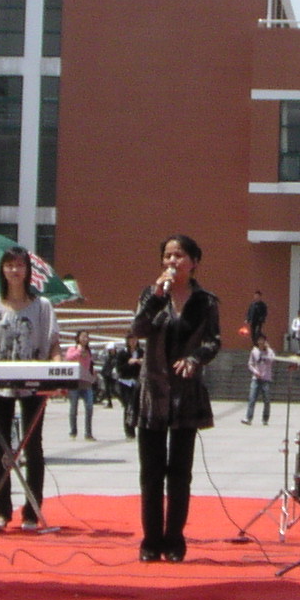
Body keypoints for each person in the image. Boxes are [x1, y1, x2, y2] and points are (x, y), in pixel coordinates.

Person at [129, 235, 222, 562]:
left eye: (179, 256)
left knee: (180, 473)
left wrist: (195, 358)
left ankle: (174, 540)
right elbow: (138, 330)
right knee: (151, 472)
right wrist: (157, 297)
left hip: (185, 392)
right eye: (167, 256)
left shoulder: (206, 301)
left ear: (194, 262)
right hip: (153, 390)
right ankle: (150, 540)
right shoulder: (150, 294)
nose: (172, 262)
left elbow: (213, 341)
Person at [0, 247, 57, 528]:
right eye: (9, 265)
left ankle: (32, 512)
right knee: (0, 447)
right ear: (2, 270)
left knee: (33, 446)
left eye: (20, 265)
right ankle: (2, 511)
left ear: (27, 270)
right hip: (0, 385)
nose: (15, 270)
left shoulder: (42, 306)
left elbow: (53, 344)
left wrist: (57, 376)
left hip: (33, 383)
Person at [63, 331, 95, 440]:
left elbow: (89, 365)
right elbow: (68, 358)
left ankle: (88, 433)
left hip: (86, 382)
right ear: (78, 338)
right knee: (74, 407)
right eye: (83, 336)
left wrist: (92, 375)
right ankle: (73, 431)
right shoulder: (73, 349)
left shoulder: (88, 351)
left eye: (87, 337)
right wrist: (79, 351)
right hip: (74, 382)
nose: (85, 338)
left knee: (89, 407)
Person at [244, 332, 275, 425]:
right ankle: (249, 418)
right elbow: (250, 364)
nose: (261, 342)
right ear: (257, 341)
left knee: (266, 400)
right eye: (259, 340)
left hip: (266, 378)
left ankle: (265, 419)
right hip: (256, 378)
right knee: (252, 398)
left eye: (263, 340)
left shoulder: (270, 352)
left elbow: (272, 360)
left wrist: (267, 350)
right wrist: (255, 372)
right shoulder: (254, 351)